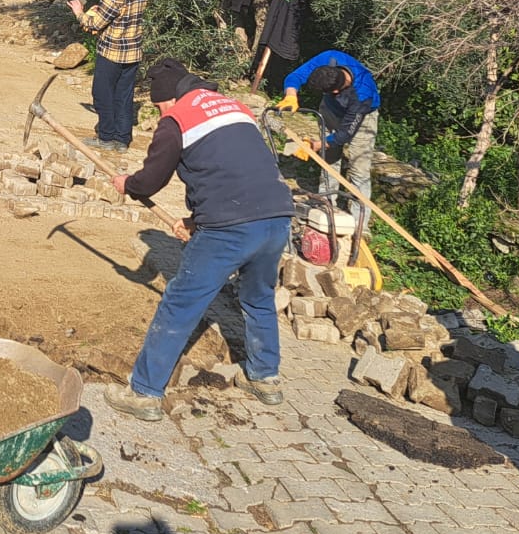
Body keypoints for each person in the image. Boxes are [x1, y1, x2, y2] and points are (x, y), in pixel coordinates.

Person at [104, 58, 296, 421]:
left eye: (159, 104)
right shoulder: (236, 108)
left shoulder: (176, 121)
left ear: (169, 98)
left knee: (180, 303)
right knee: (258, 298)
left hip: (229, 229)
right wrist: (196, 220)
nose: (159, 112)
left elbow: (151, 180)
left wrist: (128, 184)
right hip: (276, 217)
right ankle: (264, 377)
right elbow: (237, 171)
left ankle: (144, 392)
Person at [279, 50, 381, 221]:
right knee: (329, 160)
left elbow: (344, 135)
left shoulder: (363, 92)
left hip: (362, 119)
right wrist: (291, 96)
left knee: (359, 169)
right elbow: (295, 76)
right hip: (331, 112)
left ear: (334, 92)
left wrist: (315, 146)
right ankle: (325, 205)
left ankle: (359, 222)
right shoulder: (329, 58)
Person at [68, 0, 147, 152]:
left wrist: (79, 12)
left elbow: (94, 24)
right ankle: (122, 139)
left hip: (112, 53)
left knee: (102, 94)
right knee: (124, 95)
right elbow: (120, 16)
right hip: (132, 53)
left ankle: (105, 136)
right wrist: (100, 10)